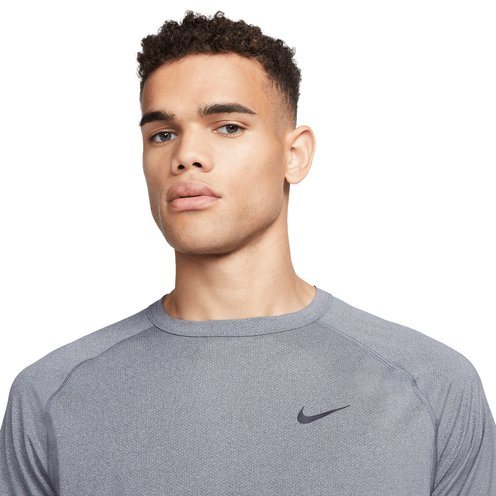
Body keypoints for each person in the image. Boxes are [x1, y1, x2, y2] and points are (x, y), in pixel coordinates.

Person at [1, 9, 495, 495]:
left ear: (294, 155)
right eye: (162, 134)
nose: (186, 156)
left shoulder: (430, 386)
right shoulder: (50, 398)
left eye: (228, 127)